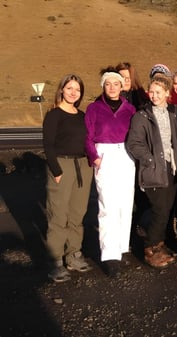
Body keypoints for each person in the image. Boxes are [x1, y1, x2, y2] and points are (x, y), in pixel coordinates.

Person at [126, 74, 177, 269]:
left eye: (158, 92)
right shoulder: (141, 116)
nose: (154, 95)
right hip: (153, 169)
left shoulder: (172, 114)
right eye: (151, 92)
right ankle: (150, 249)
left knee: (166, 210)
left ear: (167, 93)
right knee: (159, 210)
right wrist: (150, 160)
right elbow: (134, 143)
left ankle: (159, 245)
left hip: (171, 168)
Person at [85, 70, 136, 277]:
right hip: (104, 152)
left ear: (122, 86)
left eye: (116, 83)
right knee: (107, 204)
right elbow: (87, 136)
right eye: (108, 84)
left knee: (125, 202)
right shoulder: (94, 108)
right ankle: (109, 255)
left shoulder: (130, 109)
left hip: (125, 153)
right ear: (103, 86)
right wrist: (94, 156)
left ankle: (121, 246)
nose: (113, 87)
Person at [43, 74, 94, 283]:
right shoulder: (54, 115)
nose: (73, 92)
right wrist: (56, 170)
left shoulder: (82, 116)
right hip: (62, 166)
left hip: (82, 165)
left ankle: (73, 254)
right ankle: (55, 260)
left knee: (77, 213)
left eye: (77, 90)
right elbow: (48, 144)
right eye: (70, 88)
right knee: (58, 214)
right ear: (62, 90)